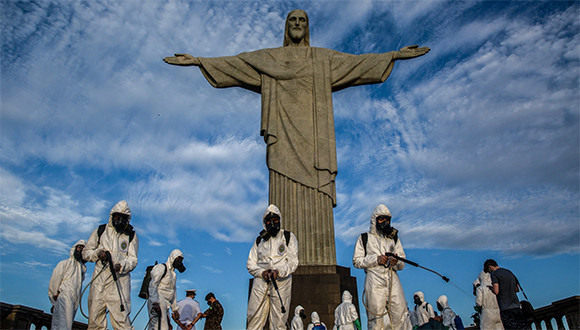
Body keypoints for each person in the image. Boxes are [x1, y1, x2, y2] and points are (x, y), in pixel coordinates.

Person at [163, 9, 429, 267]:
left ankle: (319, 259)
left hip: (315, 144)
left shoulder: (323, 59)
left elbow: (357, 63)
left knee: (317, 194)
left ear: (308, 27)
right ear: (286, 27)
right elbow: (237, 64)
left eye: (303, 20)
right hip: (282, 141)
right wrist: (200, 61)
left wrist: (393, 55)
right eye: (293, 20)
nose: (298, 24)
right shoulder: (270, 59)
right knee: (281, 199)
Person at [352, 204, 412, 330]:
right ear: (375, 220)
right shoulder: (365, 238)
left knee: (400, 314)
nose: (384, 222)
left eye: (387, 219)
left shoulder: (393, 239)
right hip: (374, 279)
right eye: (381, 219)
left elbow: (402, 261)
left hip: (392, 277)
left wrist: (396, 262)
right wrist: (376, 259)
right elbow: (357, 261)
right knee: (376, 318)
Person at [83, 200, 139, 330]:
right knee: (95, 321)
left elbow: (133, 260)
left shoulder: (131, 235)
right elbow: (86, 253)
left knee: (122, 321)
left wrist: (121, 266)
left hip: (119, 282)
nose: (120, 221)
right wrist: (98, 253)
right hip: (99, 280)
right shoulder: (101, 231)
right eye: (117, 217)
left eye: (123, 218)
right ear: (112, 216)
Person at [246, 204, 299, 329]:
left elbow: (293, 262)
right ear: (265, 223)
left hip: (281, 283)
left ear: (280, 220)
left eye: (275, 221)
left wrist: (279, 272)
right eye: (269, 221)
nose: (272, 224)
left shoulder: (288, 237)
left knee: (279, 321)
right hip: (261, 282)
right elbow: (250, 263)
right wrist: (262, 272)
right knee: (254, 318)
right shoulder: (260, 240)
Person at [48, 239, 87, 330]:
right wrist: (54, 298)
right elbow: (55, 280)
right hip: (64, 296)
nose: (80, 250)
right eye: (79, 247)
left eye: (83, 249)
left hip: (75, 298)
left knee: (67, 323)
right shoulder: (64, 263)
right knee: (62, 323)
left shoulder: (82, 269)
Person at [147, 249, 186, 330]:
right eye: (178, 259)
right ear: (173, 258)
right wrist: (155, 302)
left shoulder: (173, 275)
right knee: (159, 327)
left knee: (161, 327)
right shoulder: (161, 267)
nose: (179, 262)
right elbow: (153, 284)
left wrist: (175, 309)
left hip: (166, 303)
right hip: (158, 300)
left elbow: (173, 292)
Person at [486, 259, 529, 329]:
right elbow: (517, 289)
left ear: (490, 267)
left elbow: (496, 291)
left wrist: (491, 288)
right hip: (516, 306)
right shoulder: (509, 272)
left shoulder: (494, 274)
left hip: (505, 308)